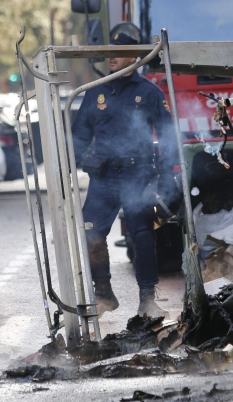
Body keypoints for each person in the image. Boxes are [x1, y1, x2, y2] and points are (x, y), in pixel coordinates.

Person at [72, 23, 180, 318]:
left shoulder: (149, 93)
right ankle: (103, 292)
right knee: (90, 232)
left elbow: (168, 135)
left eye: (119, 52)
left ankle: (147, 299)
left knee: (142, 236)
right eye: (111, 52)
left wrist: (167, 176)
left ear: (134, 57)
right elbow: (79, 135)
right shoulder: (95, 92)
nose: (112, 57)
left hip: (138, 175)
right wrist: (68, 166)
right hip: (104, 177)